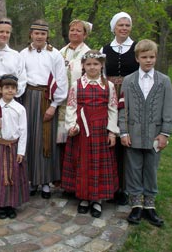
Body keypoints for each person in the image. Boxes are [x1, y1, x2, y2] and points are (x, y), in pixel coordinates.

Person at [119, 40, 172, 227]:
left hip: (154, 135)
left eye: (152, 57)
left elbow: (168, 109)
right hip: (133, 134)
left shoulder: (164, 81)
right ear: (137, 58)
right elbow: (122, 109)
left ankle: (150, 205)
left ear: (156, 57)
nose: (148, 60)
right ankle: (136, 205)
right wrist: (123, 132)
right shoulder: (128, 81)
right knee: (133, 168)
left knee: (151, 168)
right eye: (144, 57)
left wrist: (165, 133)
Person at [62, 50, 119, 218]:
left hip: (100, 130)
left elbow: (113, 109)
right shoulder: (77, 85)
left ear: (101, 65)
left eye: (96, 64)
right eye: (89, 64)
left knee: (98, 163)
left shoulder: (108, 86)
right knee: (82, 162)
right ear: (83, 66)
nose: (92, 67)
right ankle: (83, 197)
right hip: (82, 130)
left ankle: (97, 200)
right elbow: (71, 107)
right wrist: (72, 126)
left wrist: (111, 132)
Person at [19, 20, 67, 199]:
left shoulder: (54, 55)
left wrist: (54, 105)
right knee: (30, 138)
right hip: (28, 97)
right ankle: (32, 180)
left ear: (47, 36)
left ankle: (46, 181)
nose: (39, 37)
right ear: (31, 34)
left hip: (47, 98)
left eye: (43, 34)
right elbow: (20, 77)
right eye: (36, 33)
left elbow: (61, 80)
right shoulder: (23, 54)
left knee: (45, 140)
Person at [101, 11, 139, 205]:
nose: (124, 28)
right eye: (120, 25)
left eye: (127, 25)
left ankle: (126, 187)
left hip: (131, 96)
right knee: (111, 136)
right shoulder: (106, 48)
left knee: (127, 138)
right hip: (110, 96)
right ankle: (111, 185)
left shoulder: (137, 48)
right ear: (114, 27)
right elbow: (101, 73)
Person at [0, 75, 29, 219]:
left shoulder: (20, 109)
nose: (9, 91)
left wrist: (21, 152)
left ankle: (11, 204)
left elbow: (23, 131)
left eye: (12, 88)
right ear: (0, 90)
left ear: (16, 90)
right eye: (6, 88)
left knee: (13, 175)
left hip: (14, 147)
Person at [57, 20, 91, 144]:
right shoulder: (60, 53)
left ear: (85, 35)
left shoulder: (89, 54)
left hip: (80, 100)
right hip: (61, 102)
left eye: (78, 30)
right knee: (60, 140)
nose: (74, 33)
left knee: (77, 139)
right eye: (72, 30)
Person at [0, 17, 27, 97]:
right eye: (1, 32)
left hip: (11, 97)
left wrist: (11, 93)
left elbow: (22, 80)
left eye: (7, 32)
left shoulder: (16, 55)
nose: (4, 35)